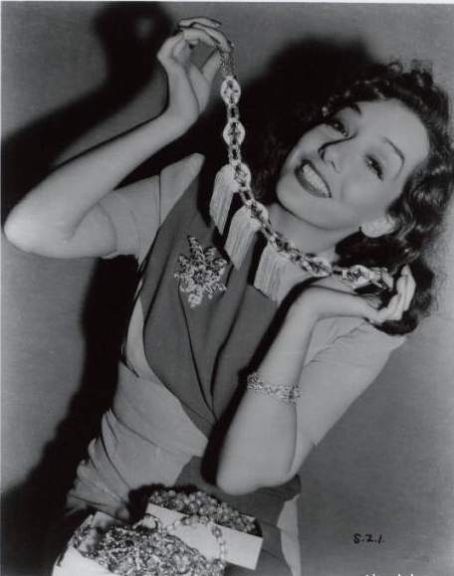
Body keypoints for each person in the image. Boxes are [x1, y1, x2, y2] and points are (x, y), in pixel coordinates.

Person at [5, 16, 453, 576]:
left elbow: (239, 476)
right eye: (340, 125)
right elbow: (32, 228)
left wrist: (305, 313)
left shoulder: (364, 320)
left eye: (373, 162)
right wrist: (169, 122)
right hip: (103, 517)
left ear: (386, 219)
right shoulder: (191, 194)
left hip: (237, 542)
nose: (335, 151)